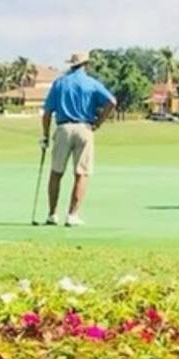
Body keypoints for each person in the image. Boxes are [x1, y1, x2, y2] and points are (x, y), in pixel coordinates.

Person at [41, 51, 116, 227]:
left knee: (56, 173)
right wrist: (99, 123)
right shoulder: (91, 83)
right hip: (84, 129)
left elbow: (47, 113)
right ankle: (72, 215)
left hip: (63, 128)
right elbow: (112, 101)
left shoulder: (59, 83)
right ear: (86, 65)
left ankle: (52, 214)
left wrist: (45, 135)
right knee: (81, 173)